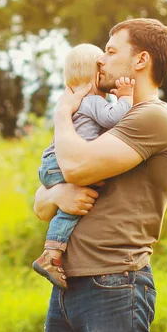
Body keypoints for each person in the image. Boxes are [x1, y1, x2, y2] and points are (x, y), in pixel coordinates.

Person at [33, 18, 167, 332]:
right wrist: (57, 196)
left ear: (140, 60)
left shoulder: (154, 117)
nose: (100, 60)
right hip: (68, 285)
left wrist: (63, 112)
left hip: (113, 284)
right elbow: (40, 204)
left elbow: (75, 169)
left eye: (110, 51)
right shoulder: (105, 117)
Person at [32, 43, 135, 290]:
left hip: (50, 162)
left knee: (72, 201)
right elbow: (112, 117)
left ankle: (52, 252)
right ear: (97, 74)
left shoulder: (74, 101)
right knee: (73, 206)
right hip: (61, 164)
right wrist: (126, 97)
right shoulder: (91, 101)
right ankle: (51, 253)